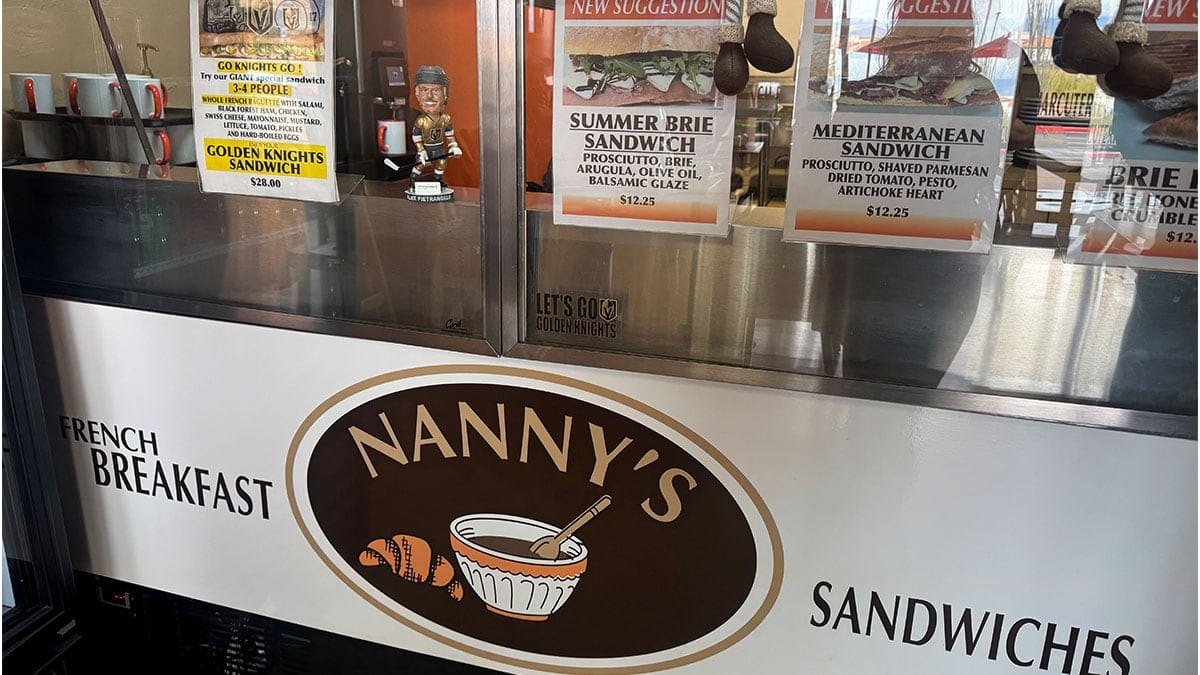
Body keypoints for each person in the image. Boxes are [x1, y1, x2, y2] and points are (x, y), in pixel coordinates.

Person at [409, 65, 462, 187]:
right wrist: (421, 151)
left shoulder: (445, 119)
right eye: (424, 90)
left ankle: (438, 180)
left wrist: (453, 146)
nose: (429, 96)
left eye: (436, 90)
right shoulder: (421, 121)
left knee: (442, 162)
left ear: (445, 95)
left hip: (439, 148)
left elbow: (450, 136)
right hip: (426, 148)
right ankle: (413, 179)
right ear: (417, 95)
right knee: (421, 164)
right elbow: (416, 137)